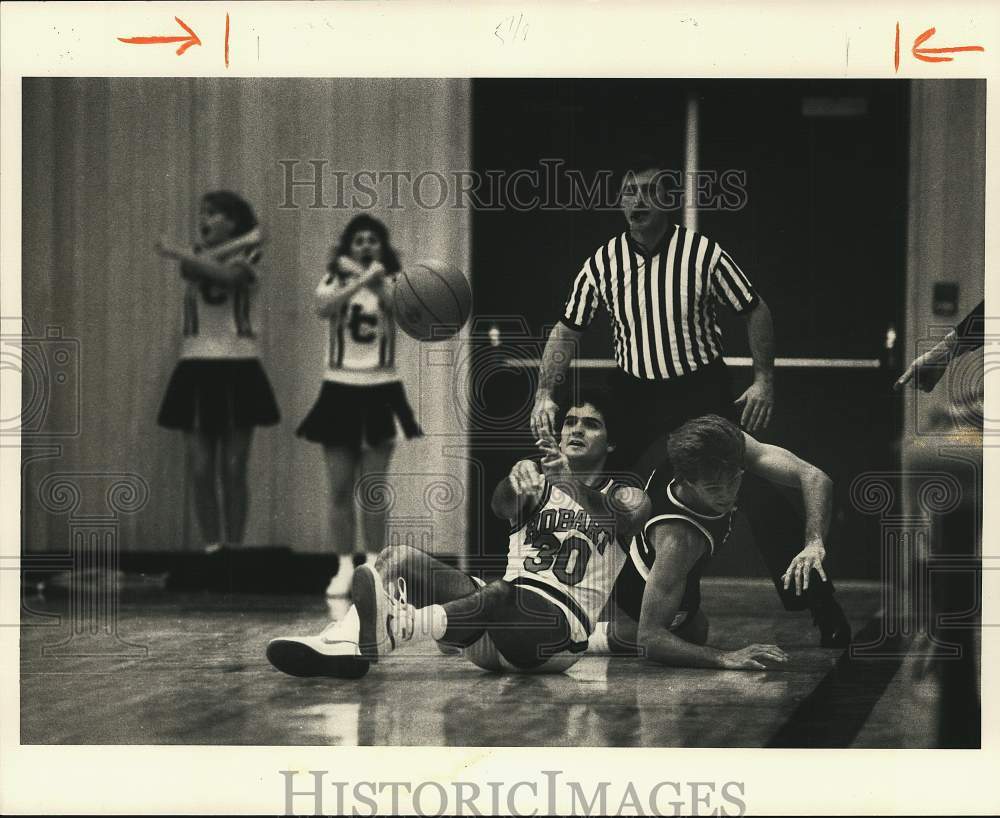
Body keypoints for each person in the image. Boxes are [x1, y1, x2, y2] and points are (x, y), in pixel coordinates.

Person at [530, 157, 850, 646]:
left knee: (756, 492)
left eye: (647, 191)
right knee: (608, 493)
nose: (636, 201)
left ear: (666, 201)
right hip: (636, 393)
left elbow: (754, 307)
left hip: (698, 388)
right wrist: (544, 392)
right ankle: (572, 601)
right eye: (627, 192)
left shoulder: (701, 253)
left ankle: (820, 604)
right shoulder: (603, 262)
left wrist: (764, 379)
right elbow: (567, 328)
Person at [266, 391, 650, 677]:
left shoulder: (625, 494)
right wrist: (514, 479)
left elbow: (624, 521)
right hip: (490, 626)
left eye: (591, 424)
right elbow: (501, 505)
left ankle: (403, 628)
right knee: (399, 557)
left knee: (501, 591)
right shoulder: (536, 482)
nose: (576, 429)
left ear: (611, 442)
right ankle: (346, 644)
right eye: (570, 421)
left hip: (552, 640)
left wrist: (571, 485)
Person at [592, 414, 839, 668]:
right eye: (713, 488)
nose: (727, 494)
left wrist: (814, 542)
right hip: (635, 581)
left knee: (697, 630)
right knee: (689, 634)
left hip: (639, 547)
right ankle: (592, 638)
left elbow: (815, 477)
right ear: (686, 482)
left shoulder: (718, 449)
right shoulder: (680, 539)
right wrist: (724, 657)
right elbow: (650, 639)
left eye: (733, 481)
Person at [296, 215, 422, 597]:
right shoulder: (334, 280)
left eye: (372, 240)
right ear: (347, 247)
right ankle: (343, 566)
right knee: (338, 487)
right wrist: (359, 279)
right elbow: (323, 307)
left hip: (381, 389)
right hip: (339, 388)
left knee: (372, 487)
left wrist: (372, 278)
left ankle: (374, 566)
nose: (366, 246)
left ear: (382, 247)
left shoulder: (395, 283)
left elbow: (399, 310)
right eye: (358, 241)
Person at [156, 191, 280, 551]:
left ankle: (235, 553)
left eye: (213, 214)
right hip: (195, 367)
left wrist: (176, 249)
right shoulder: (193, 257)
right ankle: (212, 549)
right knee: (200, 468)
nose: (204, 220)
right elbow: (191, 267)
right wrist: (242, 238)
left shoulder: (252, 255)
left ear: (234, 220)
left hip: (239, 367)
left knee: (234, 467)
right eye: (203, 213)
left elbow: (230, 277)